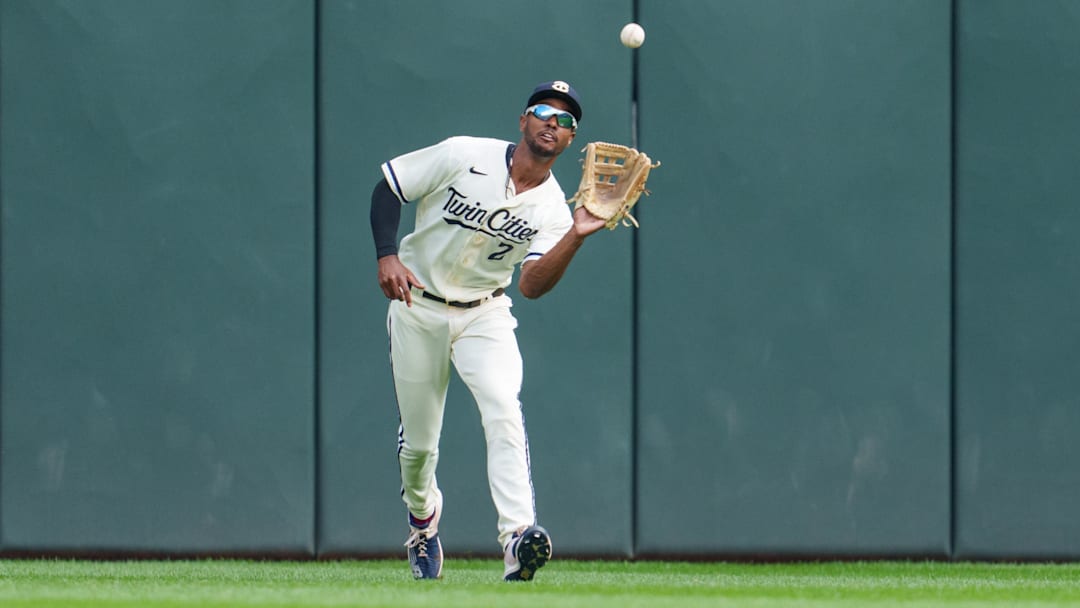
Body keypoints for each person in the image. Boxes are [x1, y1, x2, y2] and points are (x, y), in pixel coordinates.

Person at [369, 80, 608, 581]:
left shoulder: (552, 210)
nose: (554, 123)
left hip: (485, 312)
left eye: (566, 121)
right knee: (419, 446)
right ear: (523, 121)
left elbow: (532, 285)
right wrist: (387, 254)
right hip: (418, 303)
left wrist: (576, 235)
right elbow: (392, 186)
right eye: (544, 111)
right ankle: (422, 523)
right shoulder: (463, 153)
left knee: (503, 407)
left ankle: (517, 539)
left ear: (569, 141)